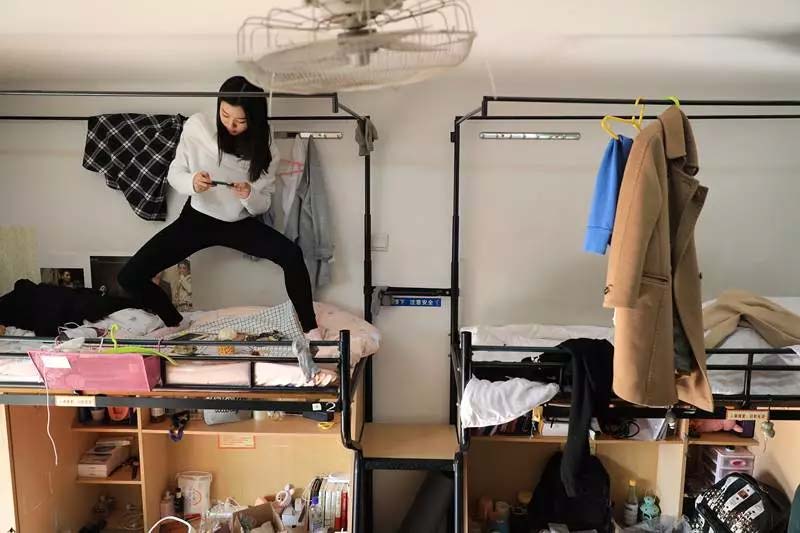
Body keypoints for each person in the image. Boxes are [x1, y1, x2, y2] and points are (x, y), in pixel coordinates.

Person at [118, 76, 318, 336]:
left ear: (254, 119)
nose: (230, 125)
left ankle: (311, 329)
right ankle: (175, 321)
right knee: (129, 277)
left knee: (292, 255)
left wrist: (249, 194)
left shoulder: (266, 148)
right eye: (225, 115)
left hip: (238, 223)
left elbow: (263, 204)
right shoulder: (197, 127)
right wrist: (193, 182)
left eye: (240, 121)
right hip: (197, 219)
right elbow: (175, 173)